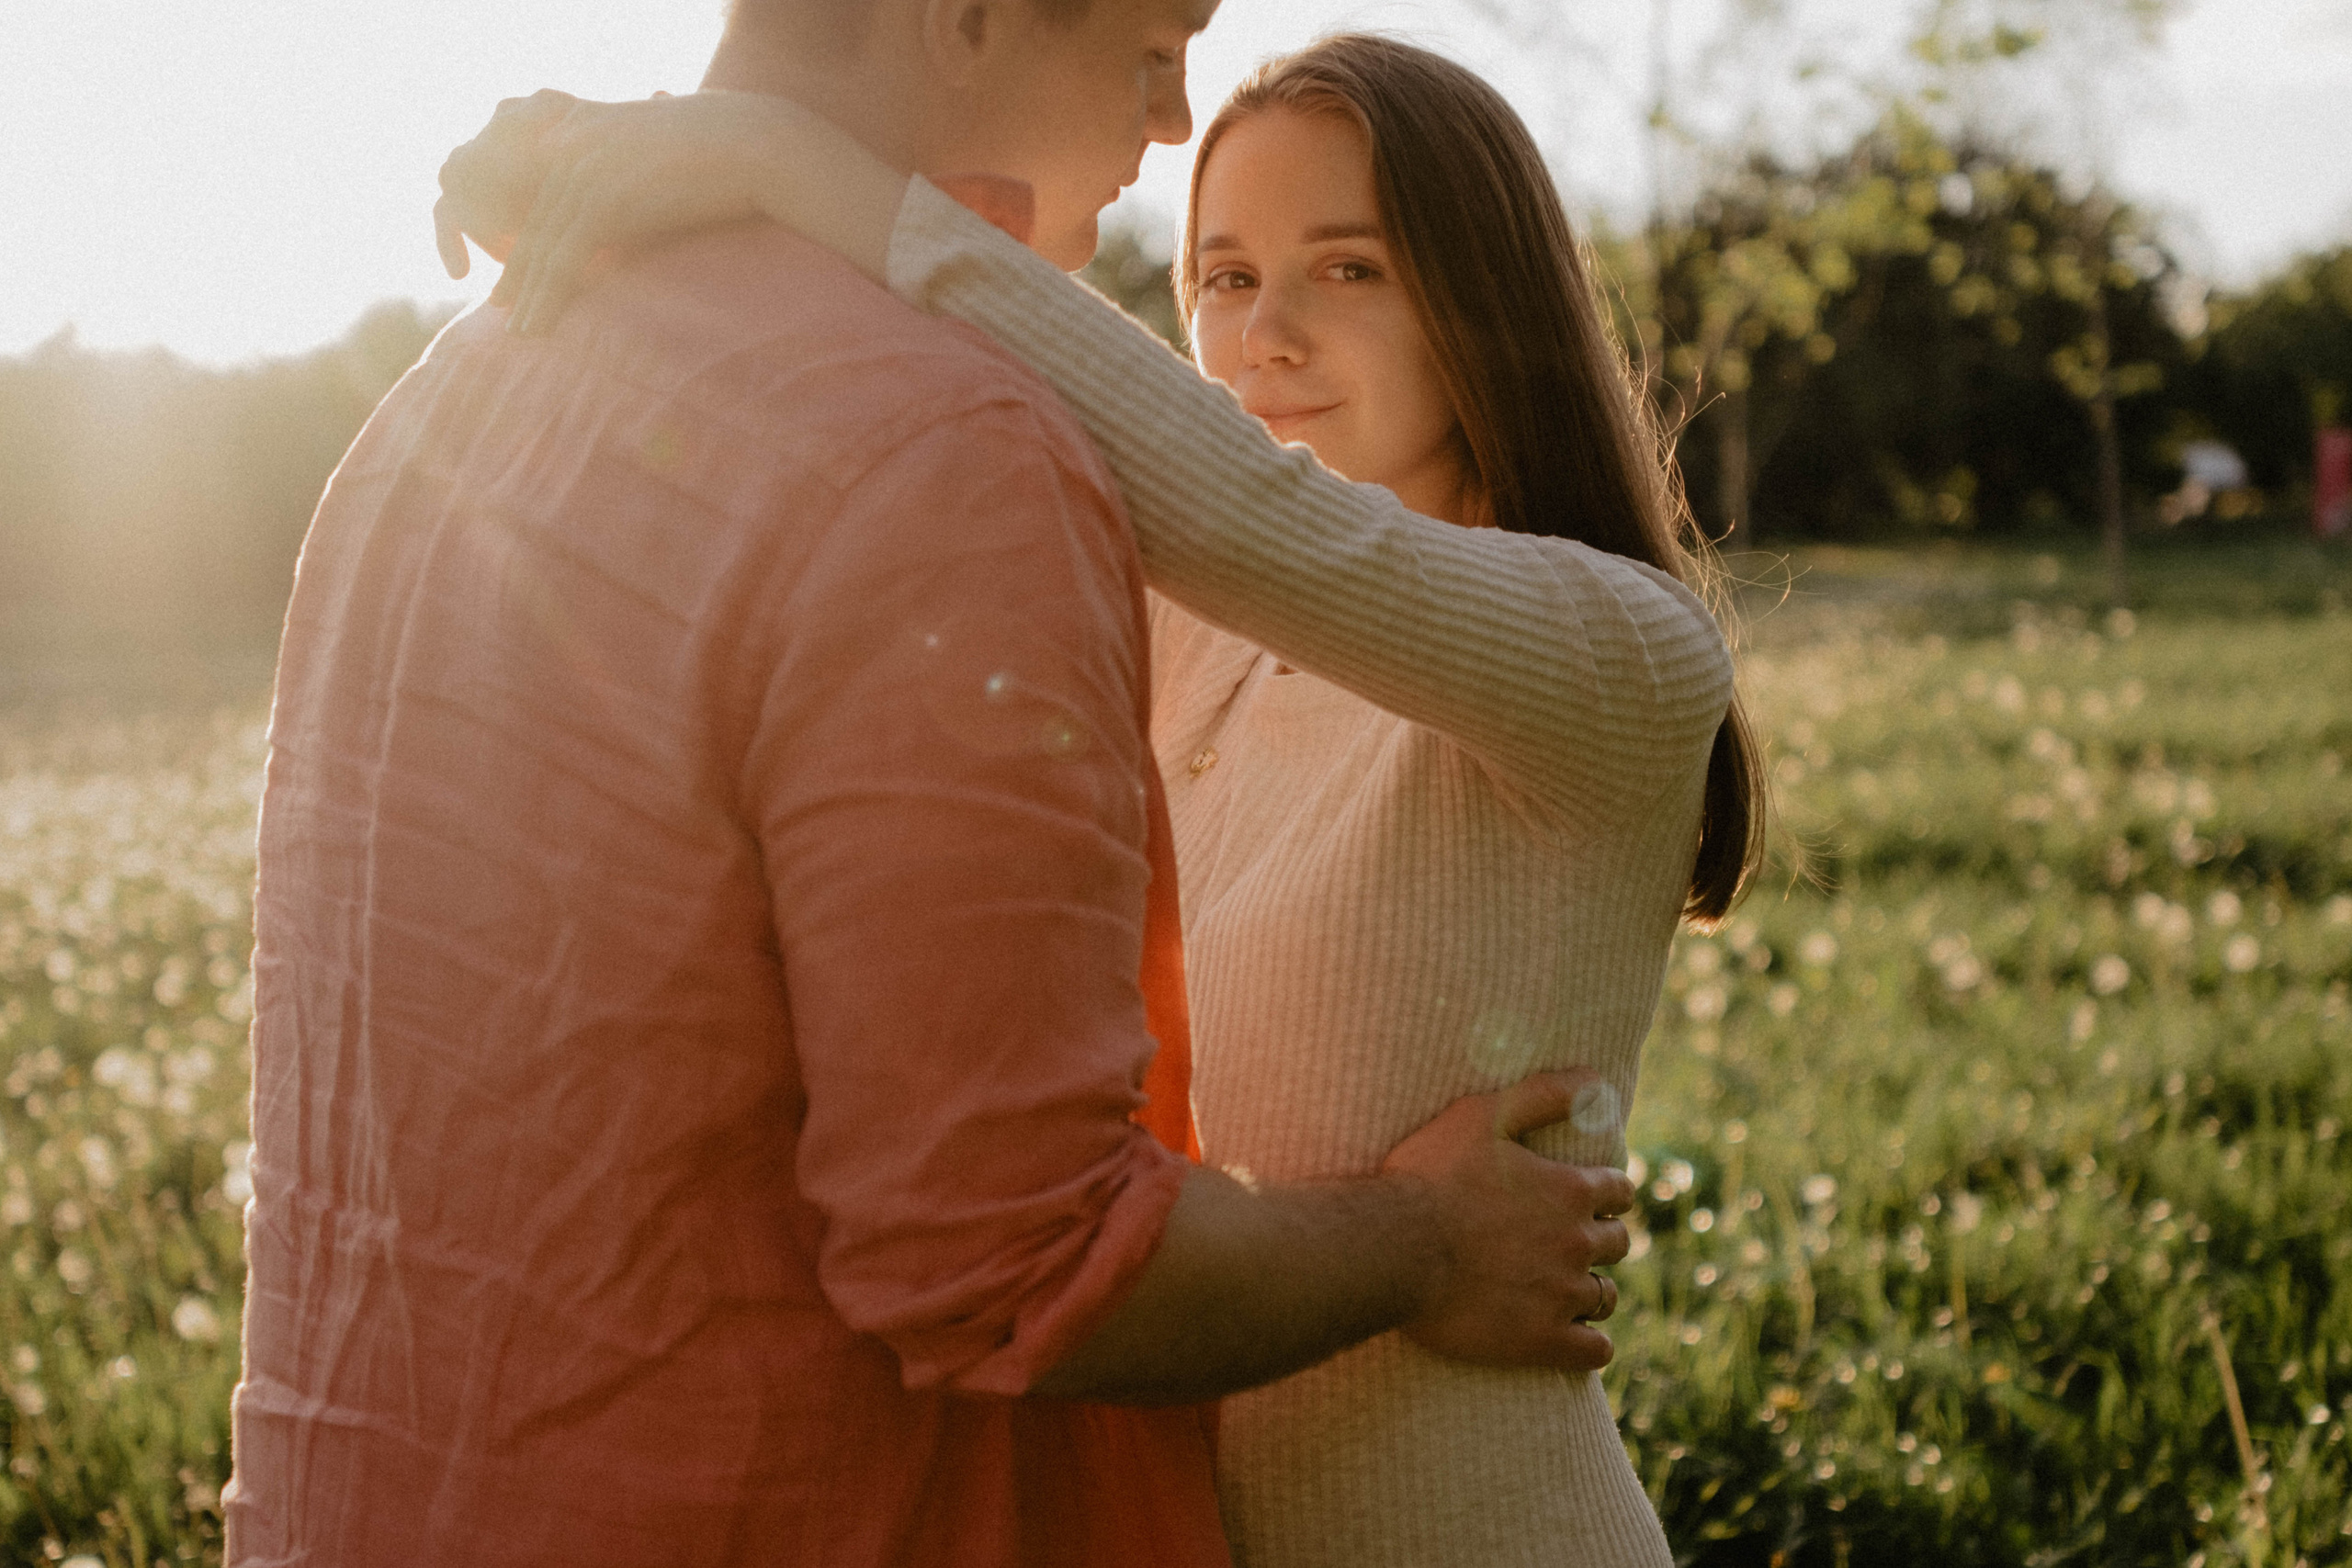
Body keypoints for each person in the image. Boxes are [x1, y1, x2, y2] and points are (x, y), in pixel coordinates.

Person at [230, 2, 1645, 1565]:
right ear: (962, 18)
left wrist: (775, 160)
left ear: (1489, 295)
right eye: (1226, 276)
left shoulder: (443, 405)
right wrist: (1422, 1241)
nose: (1171, 119)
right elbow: (1027, 1250)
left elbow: (1256, 513)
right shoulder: (977, 486)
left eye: (1352, 267)